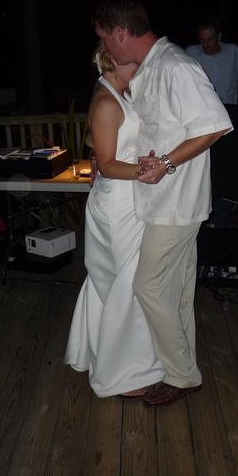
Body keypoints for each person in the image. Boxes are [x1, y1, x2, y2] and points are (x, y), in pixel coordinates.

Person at [93, 0, 233, 407]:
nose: (103, 47)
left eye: (104, 37)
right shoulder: (151, 68)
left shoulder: (176, 67)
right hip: (160, 202)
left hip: (176, 203)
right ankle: (179, 368)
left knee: (149, 286)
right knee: (177, 291)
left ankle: (181, 375)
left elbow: (215, 125)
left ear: (121, 32)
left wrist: (168, 163)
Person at [64, 45, 165, 398]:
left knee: (114, 282)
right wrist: (148, 170)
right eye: (135, 63)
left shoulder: (118, 95)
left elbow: (106, 150)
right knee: (124, 283)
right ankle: (121, 373)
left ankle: (104, 354)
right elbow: (106, 164)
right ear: (115, 62)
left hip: (126, 198)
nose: (140, 68)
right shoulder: (107, 102)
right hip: (117, 205)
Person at [185, 17, 238, 105]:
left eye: (210, 39)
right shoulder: (192, 53)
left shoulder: (233, 52)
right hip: (203, 108)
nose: (205, 44)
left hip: (229, 108)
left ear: (219, 37)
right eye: (202, 40)